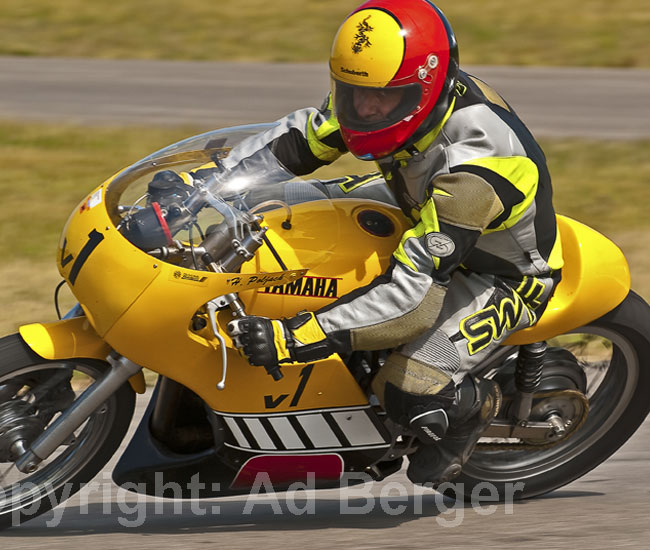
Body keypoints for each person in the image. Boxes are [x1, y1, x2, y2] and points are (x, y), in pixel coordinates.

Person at [226, 0, 562, 484]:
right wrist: (205, 189)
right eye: (352, 92)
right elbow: (302, 139)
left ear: (426, 92)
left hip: (500, 274)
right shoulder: (383, 93)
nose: (364, 110)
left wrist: (291, 339)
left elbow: (413, 303)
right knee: (281, 205)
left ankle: (473, 409)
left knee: (409, 388)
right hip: (417, 206)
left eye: (382, 98)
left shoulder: (476, 168)